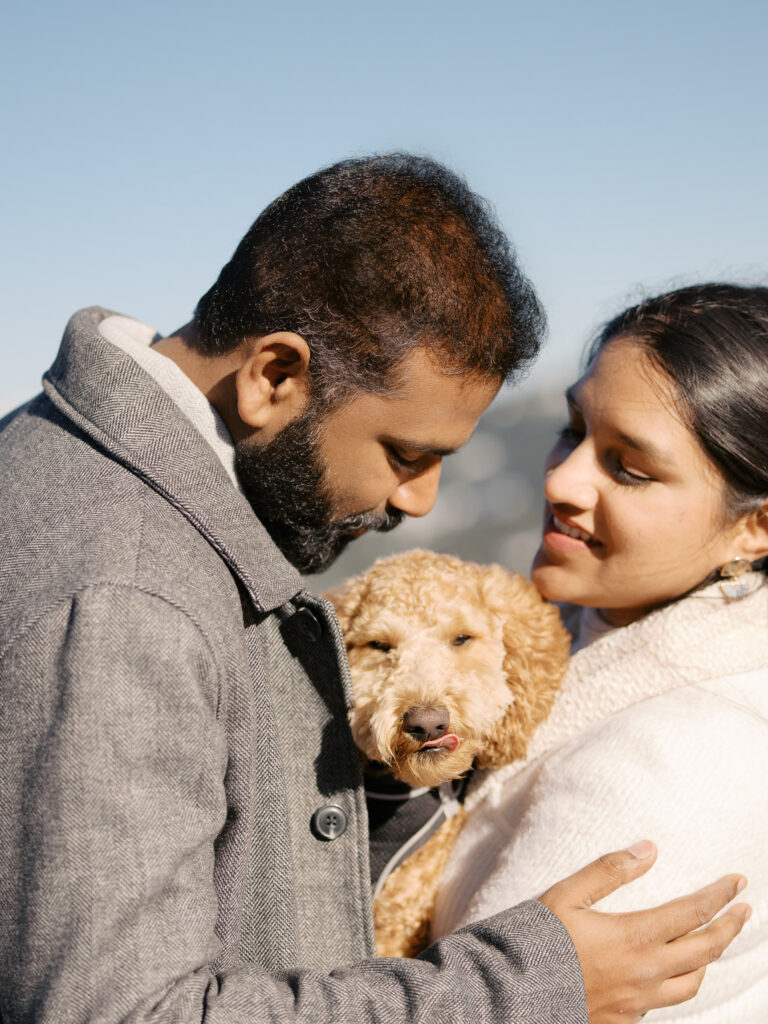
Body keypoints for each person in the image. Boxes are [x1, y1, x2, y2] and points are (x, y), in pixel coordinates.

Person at [0, 158, 748, 1024]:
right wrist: (523, 988)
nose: (419, 500)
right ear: (274, 376)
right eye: (404, 453)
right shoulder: (128, 594)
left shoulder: (60, 467)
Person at [431, 282, 768, 1021]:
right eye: (572, 428)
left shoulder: (682, 759)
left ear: (757, 528)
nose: (560, 479)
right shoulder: (562, 635)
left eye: (630, 469)